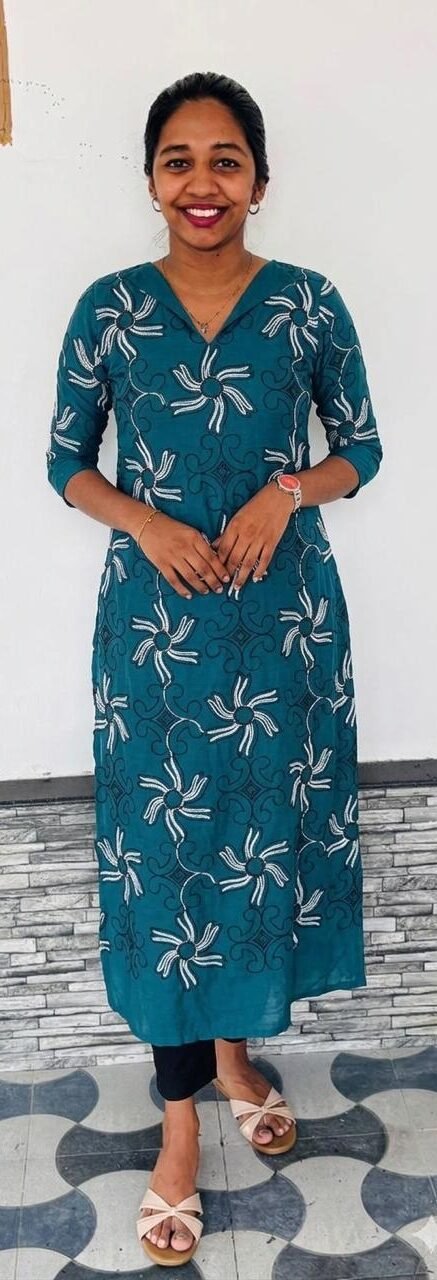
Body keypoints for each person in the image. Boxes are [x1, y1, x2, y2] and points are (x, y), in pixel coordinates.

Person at [46, 70, 383, 1267]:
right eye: (178, 159)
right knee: (166, 867)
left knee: (254, 848)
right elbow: (65, 462)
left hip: (281, 631)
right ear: (151, 179)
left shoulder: (306, 303)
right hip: (154, 636)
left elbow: (361, 448)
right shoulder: (108, 310)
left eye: (225, 159)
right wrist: (142, 519)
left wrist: (285, 490)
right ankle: (179, 1123)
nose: (202, 181)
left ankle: (238, 1055)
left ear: (258, 180)